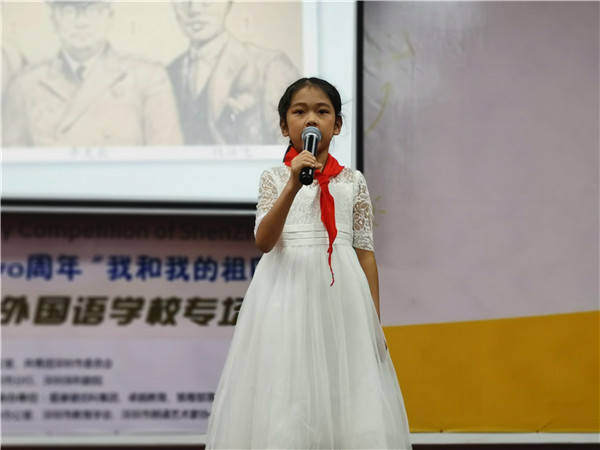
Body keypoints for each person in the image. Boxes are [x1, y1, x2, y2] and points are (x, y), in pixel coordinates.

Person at [205, 78, 412, 449]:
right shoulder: (274, 178)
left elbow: (365, 254)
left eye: (322, 111)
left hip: (341, 300)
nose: (311, 119)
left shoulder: (353, 181)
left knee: (347, 390)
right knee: (288, 390)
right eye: (299, 112)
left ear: (338, 124)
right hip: (287, 297)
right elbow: (264, 241)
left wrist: (373, 323)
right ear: (285, 126)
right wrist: (292, 185)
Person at [2, 0, 182, 147]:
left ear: (109, 17)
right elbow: (10, 169)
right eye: (69, 11)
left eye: (93, 10)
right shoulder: (25, 86)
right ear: (54, 20)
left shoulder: (148, 79)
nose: (81, 23)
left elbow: (166, 164)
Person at [168, 0, 298, 145]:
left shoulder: (269, 66)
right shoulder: (169, 73)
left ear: (227, 4)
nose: (194, 9)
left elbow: (294, 146)